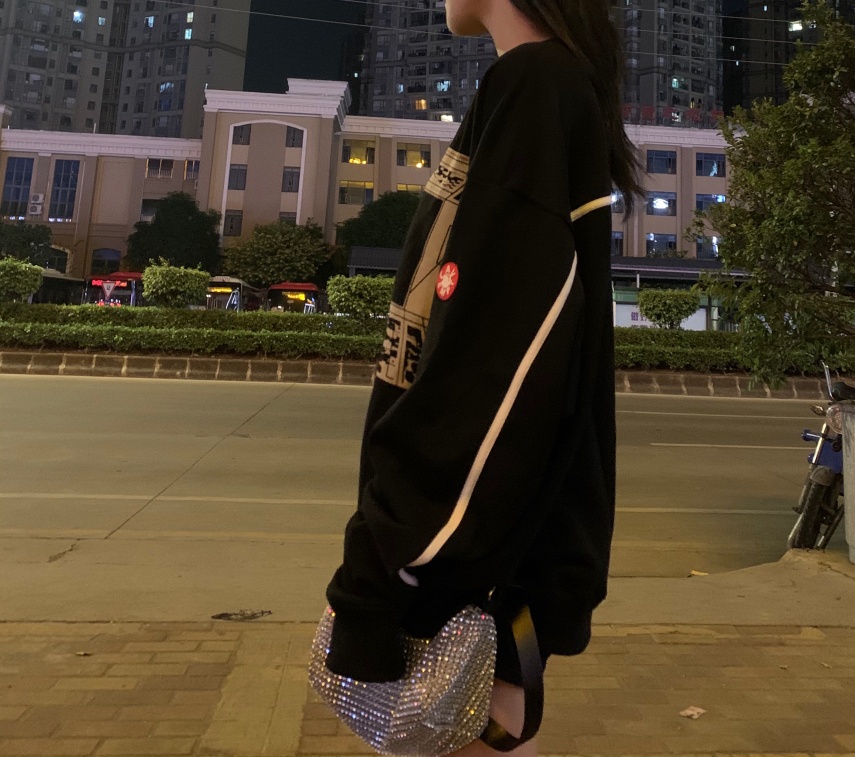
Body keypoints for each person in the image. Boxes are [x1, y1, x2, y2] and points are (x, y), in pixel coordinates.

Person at [323, 0, 643, 753]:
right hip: (495, 577)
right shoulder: (545, 86)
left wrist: (390, 564)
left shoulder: (537, 85)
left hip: (466, 582)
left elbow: (496, 364)